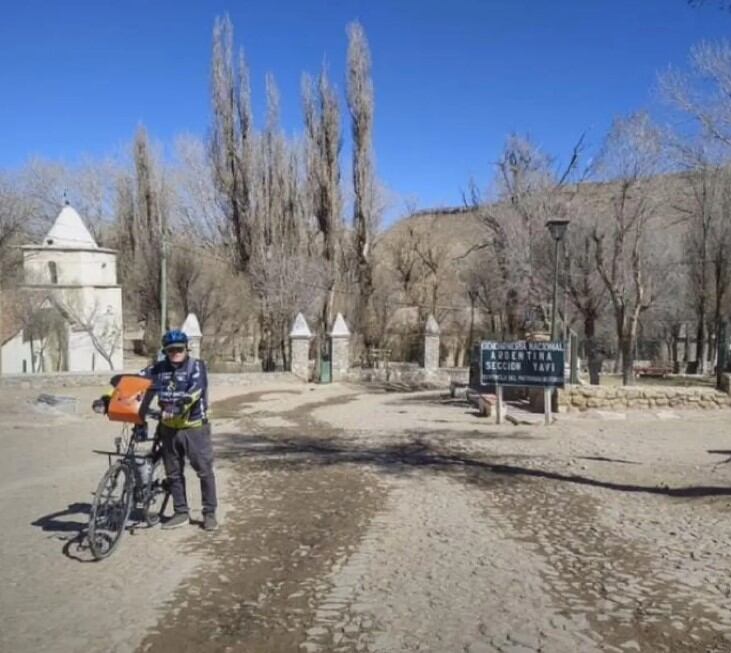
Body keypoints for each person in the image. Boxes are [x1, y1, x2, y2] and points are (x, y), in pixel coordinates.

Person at [141, 329, 218, 531]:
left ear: (186, 348)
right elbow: (134, 380)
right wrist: (109, 394)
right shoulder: (158, 368)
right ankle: (181, 512)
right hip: (168, 429)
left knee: (204, 471)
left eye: (179, 349)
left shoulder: (197, 366)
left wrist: (177, 406)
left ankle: (209, 513)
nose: (175, 353)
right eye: (171, 350)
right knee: (173, 474)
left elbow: (195, 390)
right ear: (165, 351)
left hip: (194, 428)